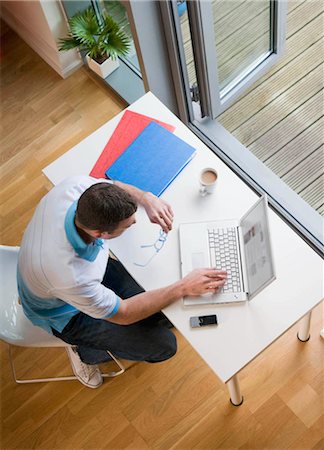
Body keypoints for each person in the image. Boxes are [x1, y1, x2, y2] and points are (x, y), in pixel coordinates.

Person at [17, 175, 227, 388]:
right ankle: (85, 351)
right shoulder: (74, 276)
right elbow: (124, 313)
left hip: (51, 274)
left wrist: (145, 198)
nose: (135, 222)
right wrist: (183, 286)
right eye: (127, 225)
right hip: (64, 312)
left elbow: (114, 187)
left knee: (167, 313)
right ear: (101, 234)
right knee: (164, 345)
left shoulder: (77, 187)